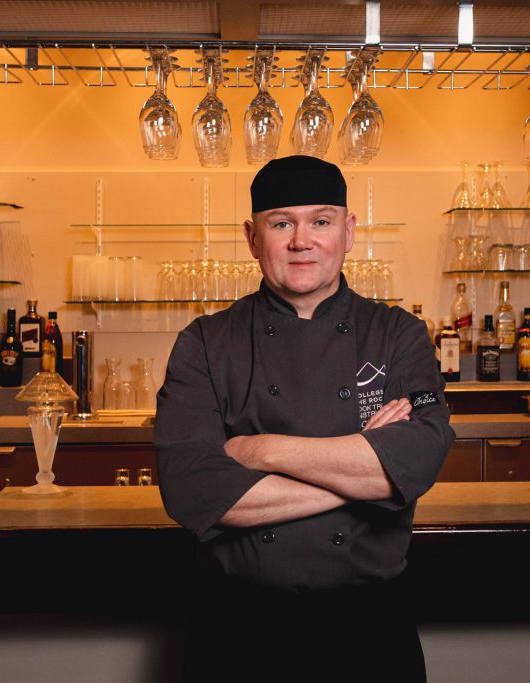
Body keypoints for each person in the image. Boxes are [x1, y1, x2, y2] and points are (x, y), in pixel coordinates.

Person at [154, 155, 454, 682]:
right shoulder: (205, 342)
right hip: (236, 632)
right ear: (252, 237)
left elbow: (419, 458)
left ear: (348, 231)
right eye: (281, 223)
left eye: (320, 221)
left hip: (370, 632)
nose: (302, 240)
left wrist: (259, 450)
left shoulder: (398, 334)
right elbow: (192, 490)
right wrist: (373, 476)